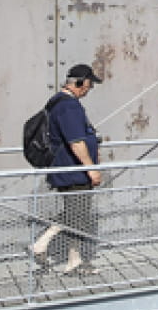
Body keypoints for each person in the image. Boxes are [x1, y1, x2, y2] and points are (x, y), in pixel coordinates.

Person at [30, 64, 104, 275]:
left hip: (68, 168)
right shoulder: (69, 107)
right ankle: (41, 244)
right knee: (76, 213)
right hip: (73, 170)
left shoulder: (59, 102)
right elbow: (76, 142)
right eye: (89, 85)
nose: (89, 90)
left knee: (78, 214)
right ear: (80, 83)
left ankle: (74, 260)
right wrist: (92, 169)